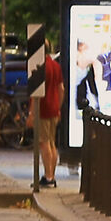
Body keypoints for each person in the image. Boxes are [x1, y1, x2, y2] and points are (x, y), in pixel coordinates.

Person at [29, 40, 66, 190]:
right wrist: (58, 106)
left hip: (43, 109)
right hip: (54, 109)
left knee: (44, 143)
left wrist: (32, 114)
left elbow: (35, 94)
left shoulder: (39, 67)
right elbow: (61, 88)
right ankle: (52, 175)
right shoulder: (55, 66)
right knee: (51, 143)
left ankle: (48, 177)